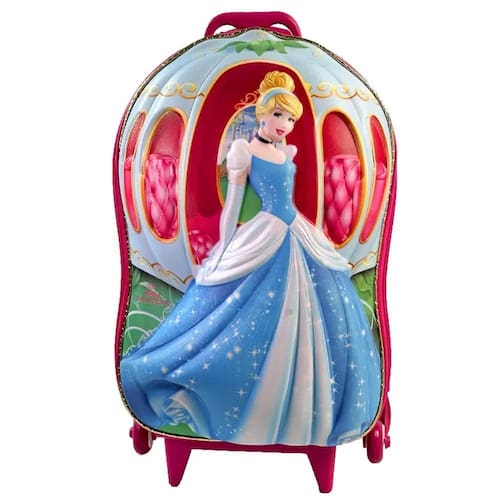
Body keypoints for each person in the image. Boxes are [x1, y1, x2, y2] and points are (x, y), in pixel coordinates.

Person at [120, 71, 381, 446]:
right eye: (278, 115)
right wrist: (224, 248)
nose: (284, 124)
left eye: (290, 118)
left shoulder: (287, 152)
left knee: (325, 302)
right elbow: (233, 205)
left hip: (296, 230)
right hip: (266, 230)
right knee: (239, 310)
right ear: (262, 113)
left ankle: (303, 405)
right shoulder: (243, 151)